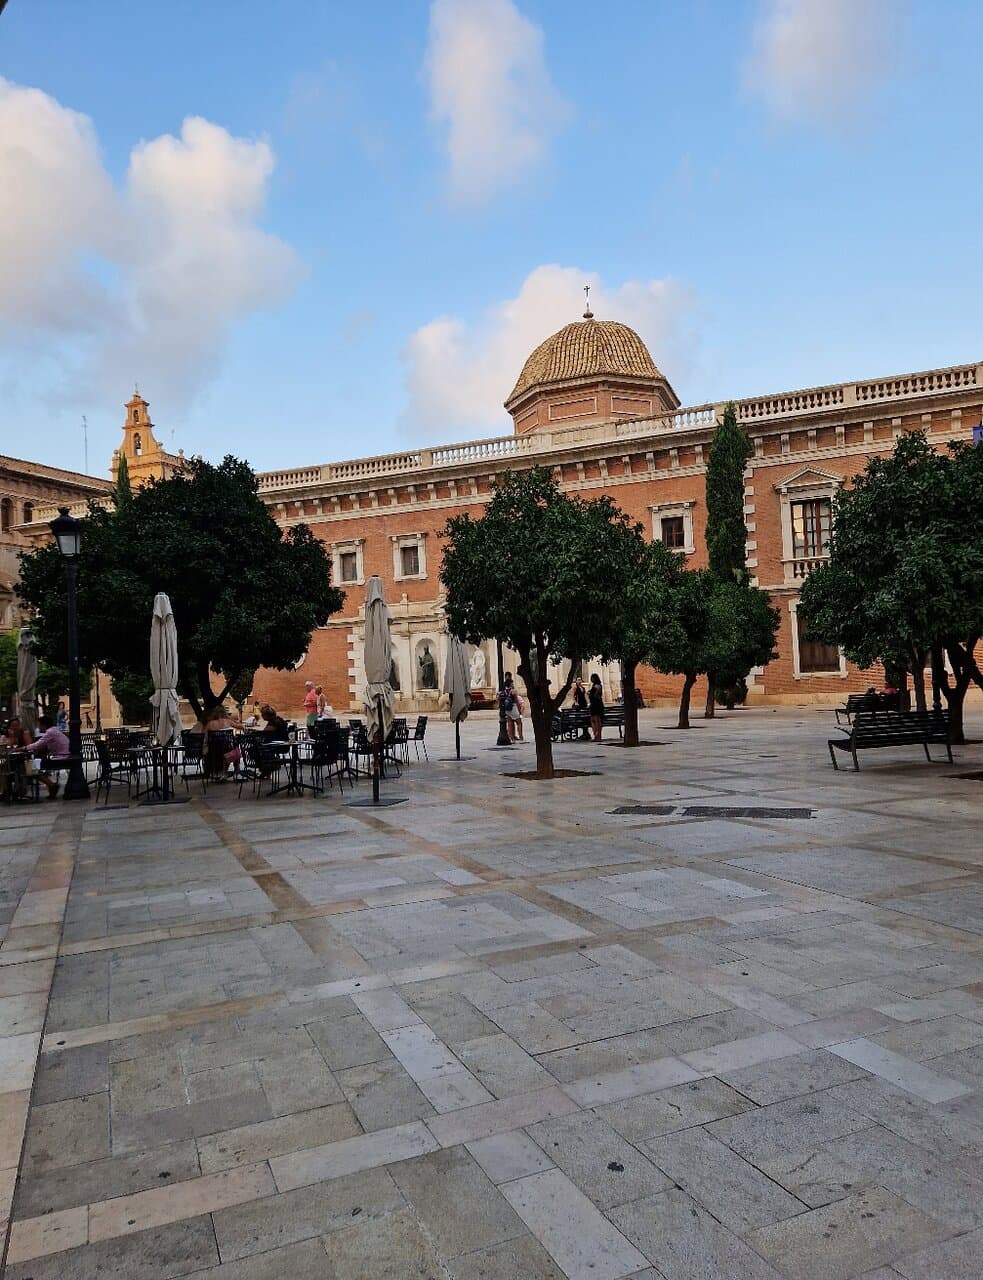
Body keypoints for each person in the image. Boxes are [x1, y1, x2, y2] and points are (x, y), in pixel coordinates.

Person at [28, 714, 70, 799]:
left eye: (39, 725)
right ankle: (51, 786)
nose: (38, 728)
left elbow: (38, 744)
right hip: (65, 756)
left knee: (34, 768)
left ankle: (52, 785)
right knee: (38, 765)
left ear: (44, 725)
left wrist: (24, 748)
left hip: (61, 758)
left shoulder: (50, 732)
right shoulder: (55, 730)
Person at [498, 672, 520, 743]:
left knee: (510, 723)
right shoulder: (511, 688)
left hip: (506, 707)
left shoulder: (503, 687)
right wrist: (519, 708)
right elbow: (516, 699)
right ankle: (519, 736)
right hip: (512, 706)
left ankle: (512, 737)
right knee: (518, 722)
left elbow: (498, 697)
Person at [572, 676, 591, 740]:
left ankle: (585, 733)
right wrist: (575, 702)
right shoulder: (575, 687)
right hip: (579, 704)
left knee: (585, 718)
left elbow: (585, 696)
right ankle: (585, 733)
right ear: (576, 681)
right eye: (578, 680)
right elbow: (573, 696)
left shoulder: (583, 688)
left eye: (580, 680)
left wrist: (588, 702)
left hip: (583, 704)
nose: (579, 681)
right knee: (582, 718)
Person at [588, 673, 605, 742]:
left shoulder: (596, 686)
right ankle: (598, 735)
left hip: (595, 705)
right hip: (598, 704)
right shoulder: (599, 686)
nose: (591, 679)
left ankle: (597, 735)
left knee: (596, 720)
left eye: (592, 678)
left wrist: (590, 693)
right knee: (596, 720)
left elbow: (595, 696)